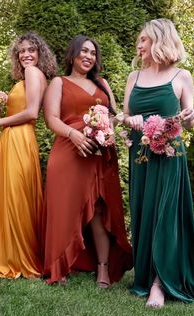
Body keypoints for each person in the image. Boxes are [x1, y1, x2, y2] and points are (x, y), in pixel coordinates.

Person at [41, 35, 133, 287]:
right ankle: (59, 266)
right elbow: (52, 119)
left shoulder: (102, 84)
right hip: (69, 153)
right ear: (72, 55)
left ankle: (102, 267)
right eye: (84, 51)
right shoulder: (59, 82)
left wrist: (106, 128)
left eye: (93, 53)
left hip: (98, 155)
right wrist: (74, 133)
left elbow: (114, 116)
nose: (89, 56)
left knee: (100, 210)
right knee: (65, 208)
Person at [123, 18, 194, 307]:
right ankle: (145, 273)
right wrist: (130, 120)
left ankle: (159, 283)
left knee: (166, 215)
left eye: (144, 40)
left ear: (160, 40)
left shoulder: (182, 76)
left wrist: (190, 118)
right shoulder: (134, 77)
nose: (139, 45)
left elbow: (190, 119)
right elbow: (124, 117)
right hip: (141, 155)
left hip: (169, 155)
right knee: (145, 211)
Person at [0, 32, 57, 279]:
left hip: (19, 138)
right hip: (14, 139)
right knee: (15, 197)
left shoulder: (33, 73)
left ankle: (20, 259)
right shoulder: (30, 76)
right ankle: (14, 255)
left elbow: (31, 113)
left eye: (31, 50)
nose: (26, 54)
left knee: (18, 198)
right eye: (22, 51)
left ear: (40, 54)